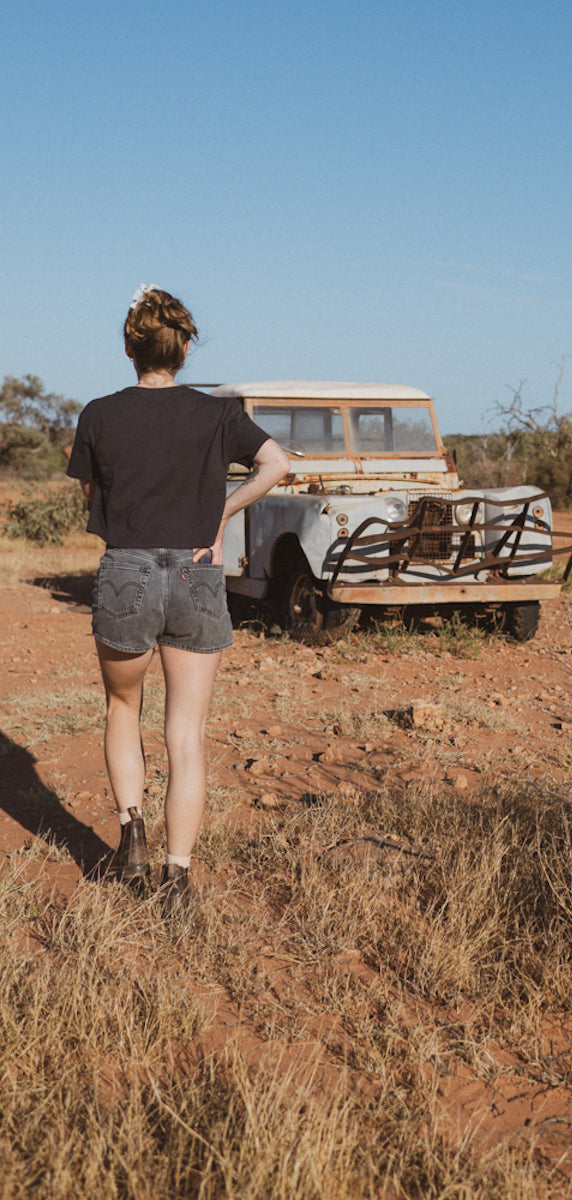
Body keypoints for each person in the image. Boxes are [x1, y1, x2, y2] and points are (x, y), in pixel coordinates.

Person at [67, 286, 290, 916]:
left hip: (127, 569)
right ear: (185, 347)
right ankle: (179, 876)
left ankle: (131, 837)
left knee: (121, 706)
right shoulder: (217, 415)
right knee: (185, 732)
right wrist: (217, 514)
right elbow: (276, 465)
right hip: (197, 572)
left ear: (129, 347)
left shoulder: (99, 413)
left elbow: (92, 488)